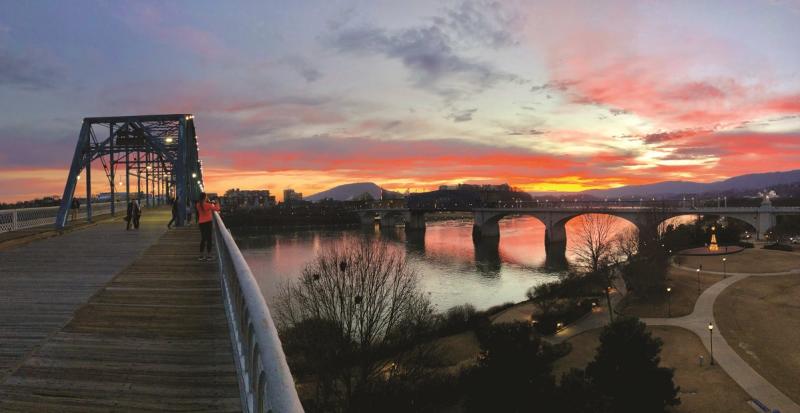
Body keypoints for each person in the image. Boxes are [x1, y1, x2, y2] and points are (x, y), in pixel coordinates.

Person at [196, 192, 220, 261]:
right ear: (205, 197)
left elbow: (203, 206)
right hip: (208, 223)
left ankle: (201, 256)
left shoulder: (198, 205)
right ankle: (209, 256)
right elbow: (217, 209)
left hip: (201, 223)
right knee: (209, 239)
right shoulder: (208, 205)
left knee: (203, 238)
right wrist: (217, 203)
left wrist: (209, 203)